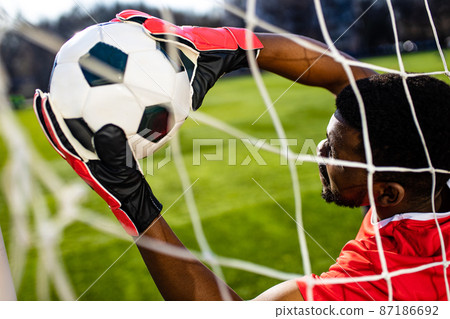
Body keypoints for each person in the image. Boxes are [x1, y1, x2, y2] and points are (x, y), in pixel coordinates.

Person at [34, 10, 450, 301]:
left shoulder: (384, 284)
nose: (319, 151)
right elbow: (345, 77)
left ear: (389, 194)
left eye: (335, 153)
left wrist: (132, 201)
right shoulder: (431, 144)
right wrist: (228, 47)